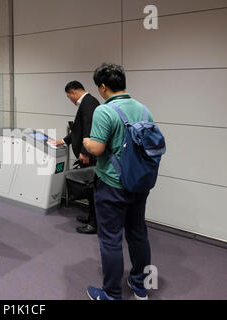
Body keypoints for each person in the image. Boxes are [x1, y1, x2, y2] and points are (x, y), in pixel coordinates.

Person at [83, 63, 153, 300]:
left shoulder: (105, 111)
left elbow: (98, 147)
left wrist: (85, 142)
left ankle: (111, 294)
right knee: (137, 233)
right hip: (140, 183)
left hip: (112, 184)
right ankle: (139, 286)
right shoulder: (144, 110)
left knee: (110, 239)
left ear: (103, 87)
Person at [49, 81, 99, 234]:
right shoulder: (87, 102)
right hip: (87, 154)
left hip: (88, 155)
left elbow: (90, 129)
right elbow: (79, 129)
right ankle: (91, 216)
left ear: (73, 92)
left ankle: (94, 223)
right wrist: (63, 141)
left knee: (92, 190)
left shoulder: (88, 103)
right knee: (91, 189)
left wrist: (85, 152)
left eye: (68, 96)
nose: (70, 99)